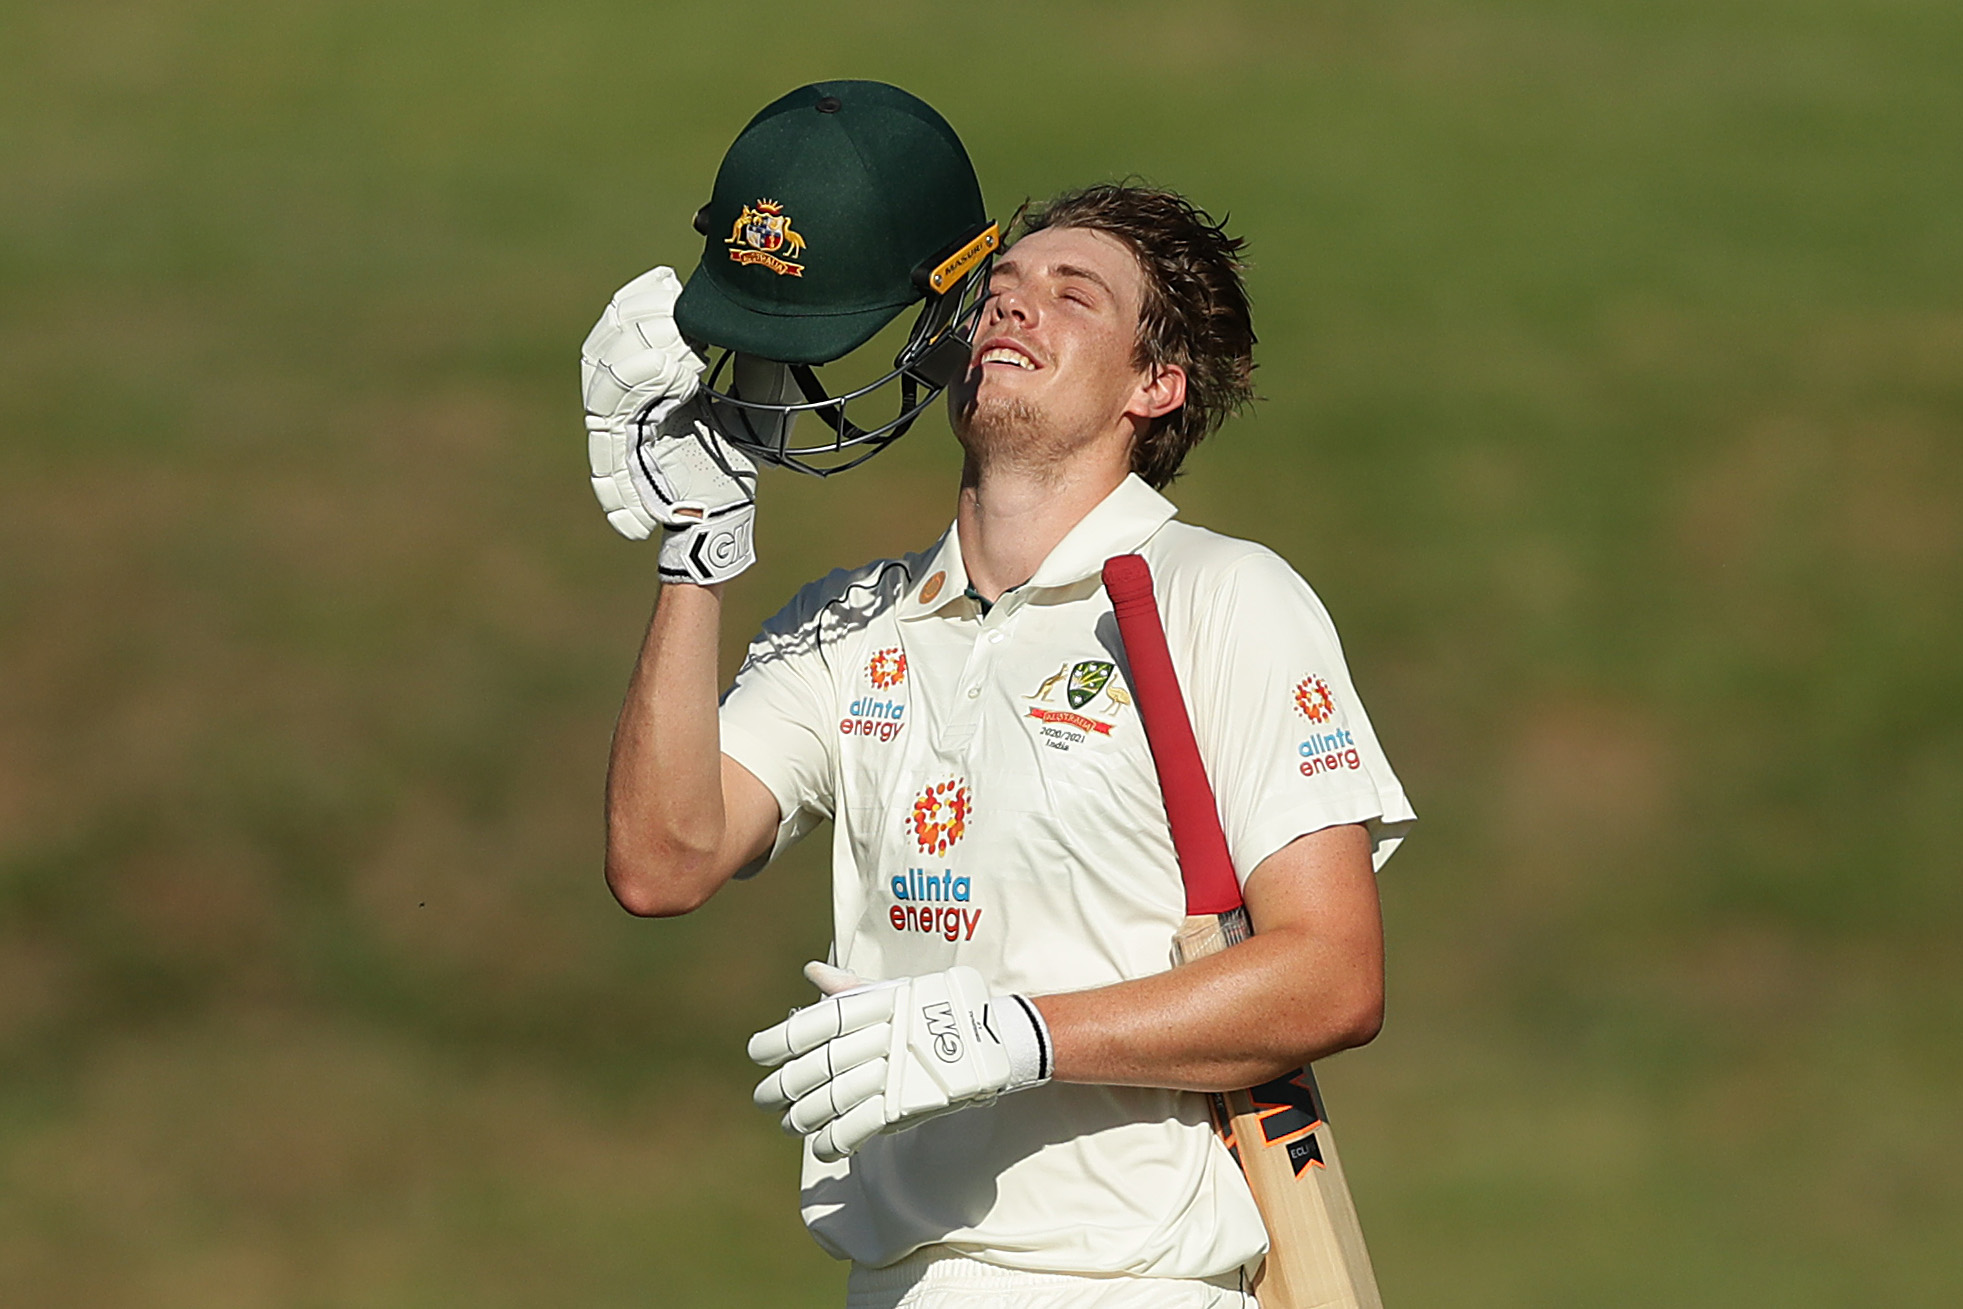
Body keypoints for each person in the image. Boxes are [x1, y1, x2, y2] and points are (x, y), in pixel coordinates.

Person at [594, 177, 1416, 1308]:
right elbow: (663, 857)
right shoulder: (852, 622)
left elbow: (1332, 973)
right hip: (894, 1283)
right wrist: (697, 553)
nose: (1012, 308)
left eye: (1074, 294)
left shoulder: (1222, 596)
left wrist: (1016, 1035)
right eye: (1001, 289)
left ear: (1156, 384)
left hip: (1130, 1282)